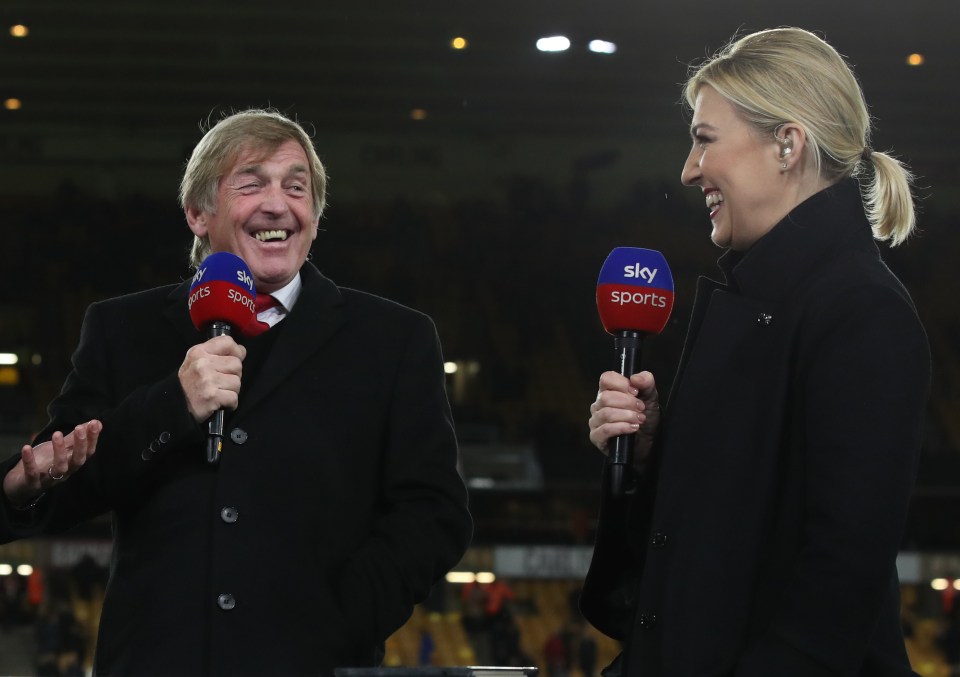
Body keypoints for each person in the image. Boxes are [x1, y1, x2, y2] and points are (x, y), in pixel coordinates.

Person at [0, 108, 473, 676]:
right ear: (198, 214)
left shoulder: (394, 339)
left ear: (315, 217)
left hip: (316, 663)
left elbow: (434, 512)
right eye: (251, 184)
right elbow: (65, 477)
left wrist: (340, 619)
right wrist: (172, 406)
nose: (278, 204)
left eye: (297, 187)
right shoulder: (123, 328)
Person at [582, 28, 930, 676]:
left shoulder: (863, 312)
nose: (688, 169)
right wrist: (653, 455)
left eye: (705, 138)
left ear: (787, 145)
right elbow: (696, 560)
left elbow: (839, 579)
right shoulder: (763, 299)